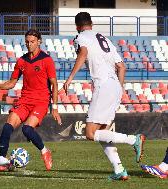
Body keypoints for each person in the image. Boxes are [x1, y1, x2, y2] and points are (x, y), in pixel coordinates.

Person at [62, 12, 145, 180]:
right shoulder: (104, 39)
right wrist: (119, 90)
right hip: (115, 86)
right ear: (91, 23)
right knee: (102, 133)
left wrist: (70, 78)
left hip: (104, 85)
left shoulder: (80, 38)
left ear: (77, 26)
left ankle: (133, 140)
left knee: (90, 133)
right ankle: (119, 170)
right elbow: (122, 67)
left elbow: (83, 53)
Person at [0, 29, 61, 171]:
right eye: (27, 42)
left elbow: (54, 84)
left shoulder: (47, 60)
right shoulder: (21, 61)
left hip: (41, 101)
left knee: (27, 129)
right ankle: (2, 163)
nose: (29, 44)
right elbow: (11, 83)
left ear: (39, 41)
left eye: (32, 42)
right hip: (25, 101)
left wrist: (55, 107)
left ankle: (45, 151)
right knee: (7, 127)